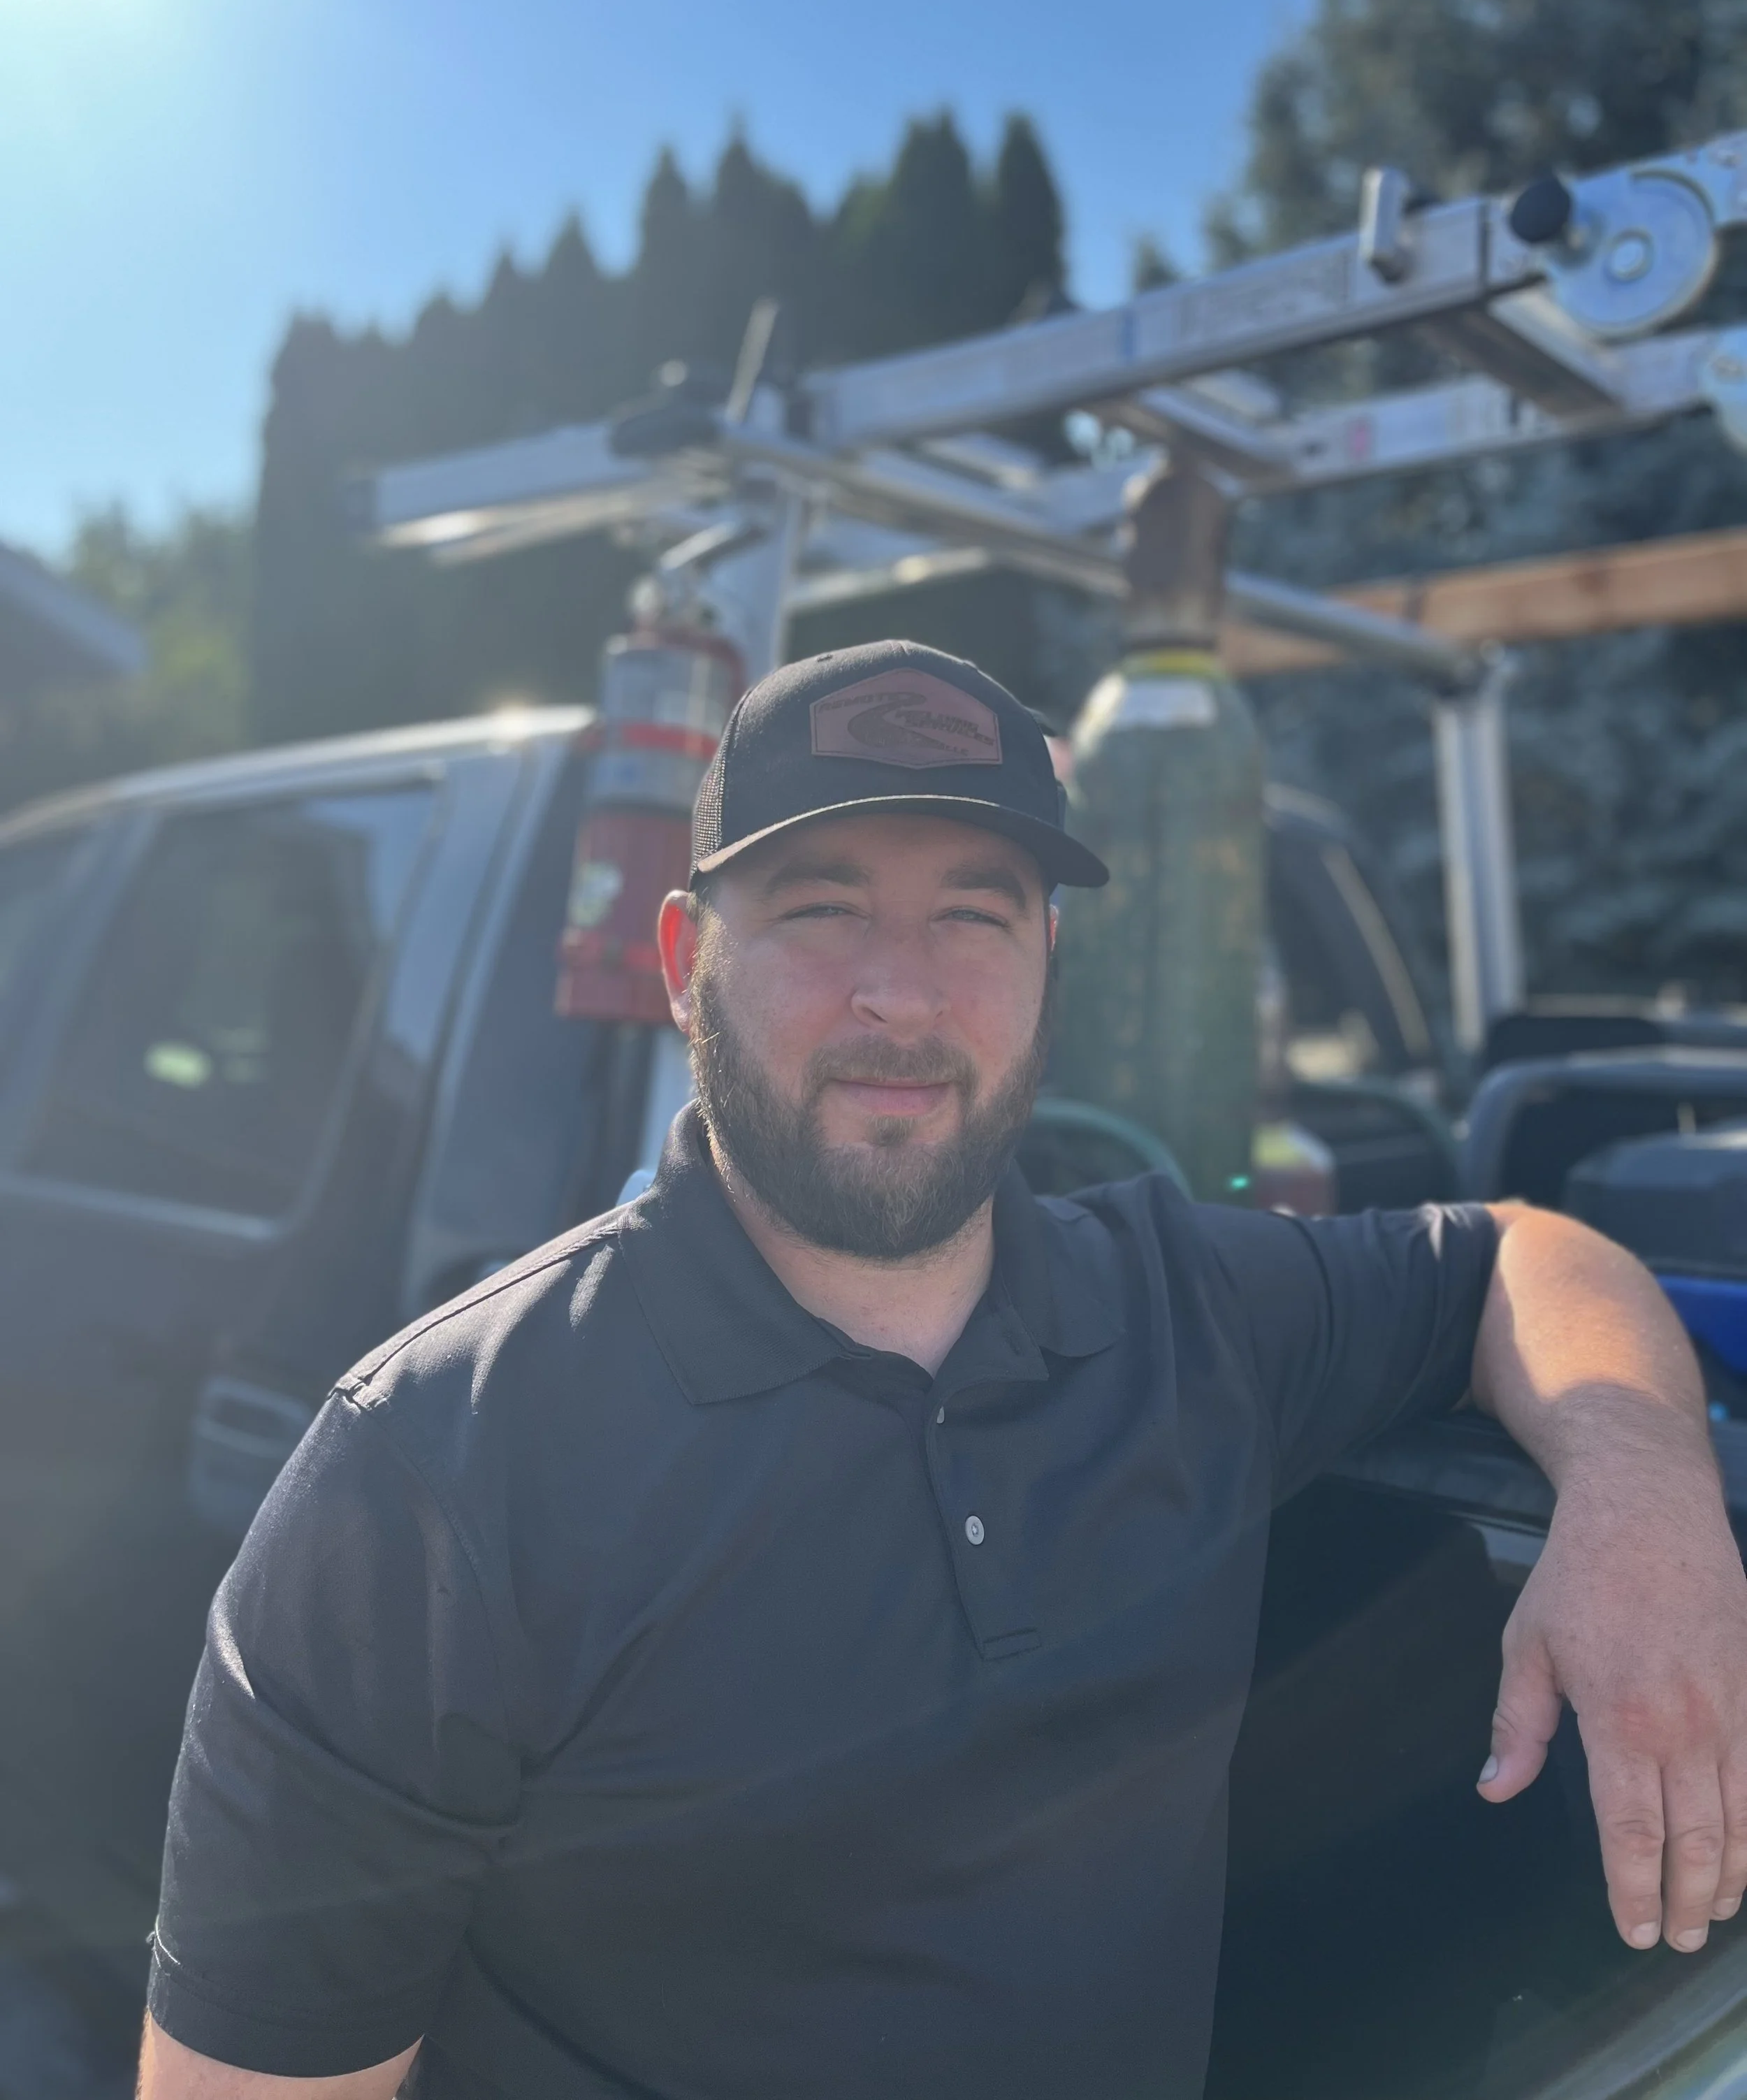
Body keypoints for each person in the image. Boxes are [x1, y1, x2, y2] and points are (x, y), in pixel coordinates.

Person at [140, 642, 1747, 2100]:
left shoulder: (1186, 1307)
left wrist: (1640, 1495)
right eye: (820, 906)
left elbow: (1518, 1257)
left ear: (1049, 955)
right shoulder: (435, 1471)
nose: (900, 992)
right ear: (685, 955)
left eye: (972, 914)